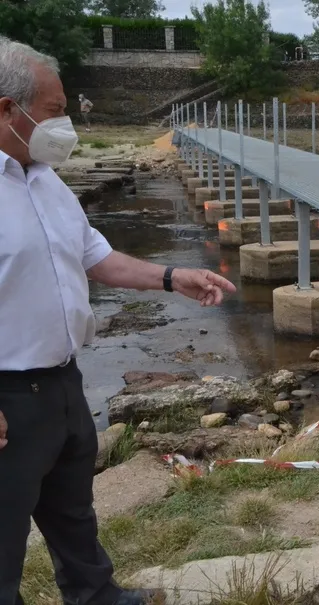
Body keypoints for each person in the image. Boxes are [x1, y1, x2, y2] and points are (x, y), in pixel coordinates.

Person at [0, 37, 237, 605]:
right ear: (7, 109)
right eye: (55, 111)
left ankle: (96, 596)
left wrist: (172, 276)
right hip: (9, 397)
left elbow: (97, 258)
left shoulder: (46, 181)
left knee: (72, 511)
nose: (66, 125)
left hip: (62, 381)